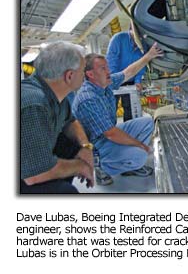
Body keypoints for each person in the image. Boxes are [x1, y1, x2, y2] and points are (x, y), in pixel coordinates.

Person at [72, 43, 163, 185]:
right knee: (140, 155)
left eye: (107, 67)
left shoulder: (104, 83)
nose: (108, 71)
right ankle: (101, 167)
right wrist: (141, 145)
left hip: (107, 134)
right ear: (90, 74)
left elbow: (128, 73)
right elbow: (111, 134)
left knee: (147, 122)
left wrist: (149, 55)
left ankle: (128, 165)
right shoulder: (88, 98)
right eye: (103, 68)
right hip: (96, 145)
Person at [20, 41, 94, 194]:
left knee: (71, 145)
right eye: (82, 71)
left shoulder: (55, 96)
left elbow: (71, 122)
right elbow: (34, 175)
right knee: (66, 192)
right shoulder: (34, 104)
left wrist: (85, 148)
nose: (84, 75)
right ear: (70, 76)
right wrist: (80, 166)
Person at [106, 25, 150, 121]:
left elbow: (142, 64)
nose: (139, 40)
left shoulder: (143, 44)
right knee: (110, 111)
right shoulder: (118, 39)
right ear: (131, 30)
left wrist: (138, 81)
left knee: (131, 112)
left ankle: (130, 132)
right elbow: (111, 62)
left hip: (131, 82)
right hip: (114, 79)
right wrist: (115, 80)